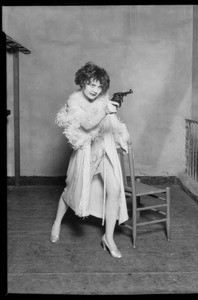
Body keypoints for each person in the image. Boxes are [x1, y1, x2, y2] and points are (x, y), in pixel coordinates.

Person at [50, 62, 130, 259]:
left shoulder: (102, 97)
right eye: (92, 85)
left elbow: (113, 122)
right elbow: (86, 125)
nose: (96, 90)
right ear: (83, 82)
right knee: (71, 191)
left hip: (104, 149)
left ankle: (108, 238)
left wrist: (123, 136)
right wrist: (105, 110)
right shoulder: (74, 100)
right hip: (85, 152)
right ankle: (57, 222)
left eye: (99, 86)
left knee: (115, 190)